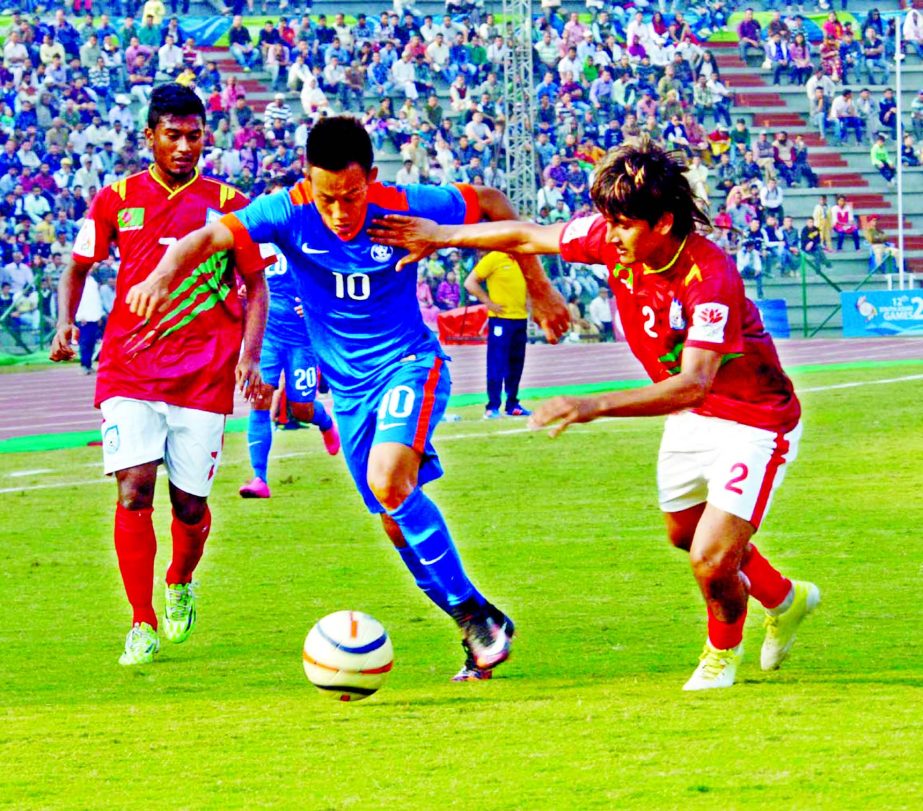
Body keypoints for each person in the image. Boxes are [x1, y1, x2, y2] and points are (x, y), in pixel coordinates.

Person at [126, 116, 570, 681]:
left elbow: (490, 202)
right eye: (327, 197)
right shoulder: (286, 211)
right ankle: (476, 622)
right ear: (308, 182)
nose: (340, 212)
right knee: (394, 518)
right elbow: (207, 236)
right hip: (351, 395)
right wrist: (164, 274)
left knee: (390, 481)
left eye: (352, 196)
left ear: (371, 180)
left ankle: (475, 619)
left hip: (410, 365)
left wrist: (540, 285)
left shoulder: (402, 203)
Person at [371, 139, 820, 691]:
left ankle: (720, 658)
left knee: (710, 557)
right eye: (607, 222)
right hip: (693, 418)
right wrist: (443, 236)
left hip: (754, 420)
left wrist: (591, 405)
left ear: (665, 222)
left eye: (624, 224)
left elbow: (692, 383)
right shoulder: (616, 240)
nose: (610, 235)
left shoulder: (710, 277)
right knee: (685, 536)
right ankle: (785, 597)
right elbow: (525, 234)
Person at [49, 84, 271, 667]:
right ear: (150, 136)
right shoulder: (115, 198)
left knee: (190, 506)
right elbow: (77, 267)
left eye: (194, 135)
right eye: (172, 135)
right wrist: (64, 325)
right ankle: (141, 622)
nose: (184, 146)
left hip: (204, 374)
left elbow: (257, 285)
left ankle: (179, 579)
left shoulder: (229, 202)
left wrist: (250, 355)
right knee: (133, 491)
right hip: (130, 368)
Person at [239, 223, 342, 500]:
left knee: (301, 409)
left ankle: (325, 423)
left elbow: (335, 284)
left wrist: (315, 304)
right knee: (260, 399)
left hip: (303, 341)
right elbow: (247, 281)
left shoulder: (312, 244)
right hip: (267, 337)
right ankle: (259, 478)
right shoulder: (258, 246)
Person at [464, 251, 532, 419]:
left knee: (516, 363)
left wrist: (532, 310)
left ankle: (512, 404)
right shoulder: (494, 258)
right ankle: (492, 406)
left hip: (520, 319)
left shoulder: (523, 259)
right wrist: (488, 303)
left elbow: (529, 287)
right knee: (497, 363)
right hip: (501, 320)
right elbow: (470, 282)